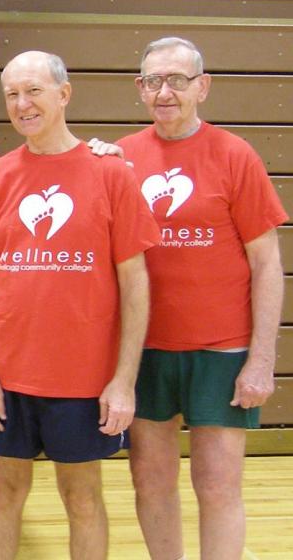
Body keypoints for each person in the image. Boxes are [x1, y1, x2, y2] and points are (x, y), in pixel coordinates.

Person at [0, 51, 159, 560]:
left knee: (82, 497)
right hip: (8, 376)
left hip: (84, 378)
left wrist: (123, 380)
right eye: (13, 95)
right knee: (2, 492)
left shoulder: (111, 174)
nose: (22, 105)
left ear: (63, 94)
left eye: (34, 92)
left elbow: (135, 284)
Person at [117, 37, 287, 560]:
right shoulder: (121, 158)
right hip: (144, 350)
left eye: (177, 80)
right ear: (140, 89)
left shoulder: (236, 156)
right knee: (150, 481)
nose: (164, 92)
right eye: (152, 81)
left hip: (221, 350)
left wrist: (261, 358)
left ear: (202, 86)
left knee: (217, 486)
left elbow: (267, 263)